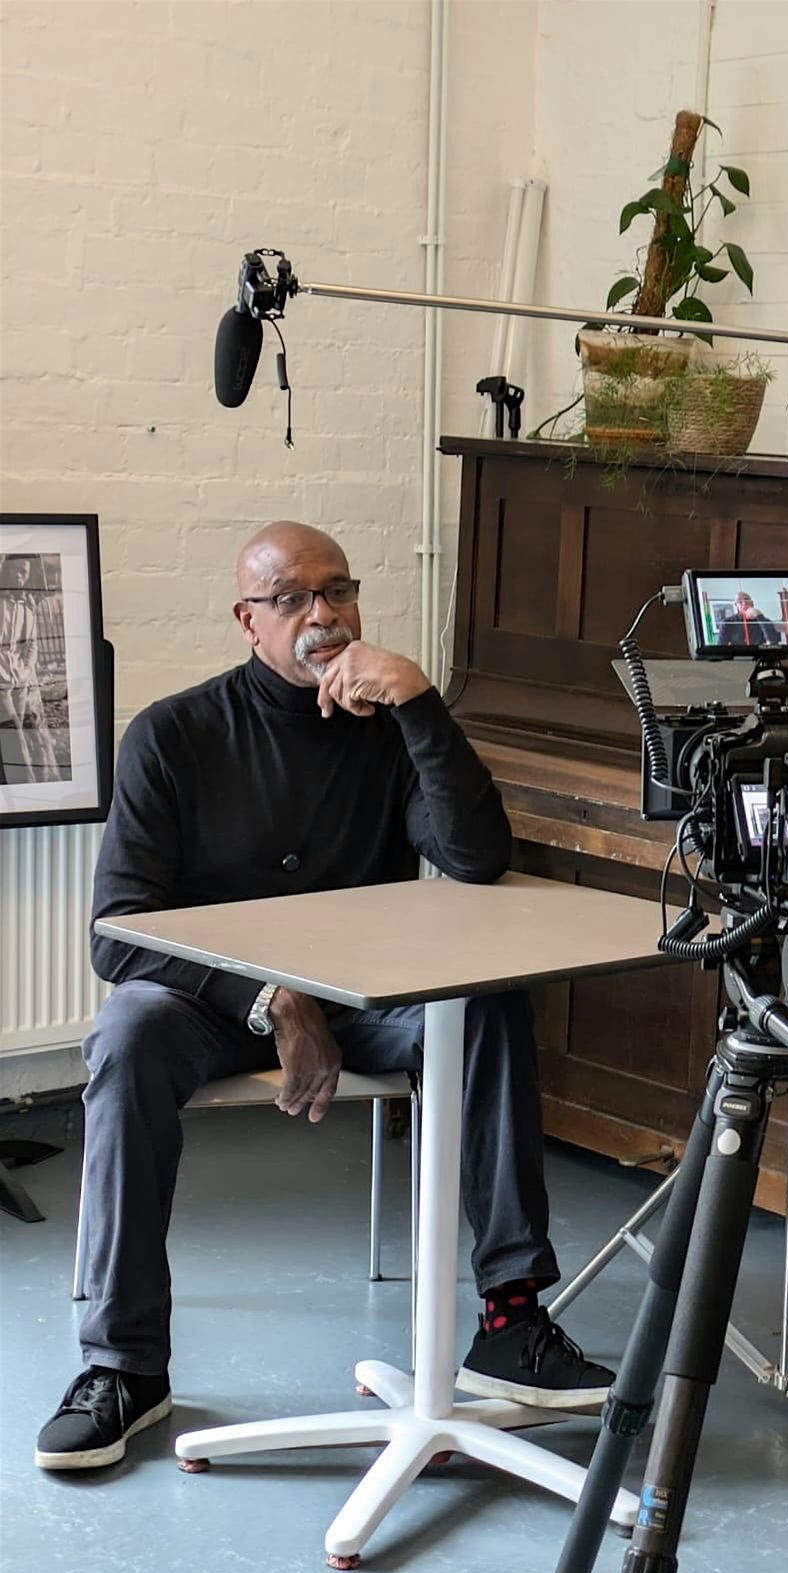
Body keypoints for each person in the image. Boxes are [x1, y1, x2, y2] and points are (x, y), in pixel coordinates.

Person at [36, 520, 614, 1472]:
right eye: (293, 598)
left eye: (338, 590)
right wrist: (271, 997)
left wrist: (420, 701)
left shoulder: (390, 728)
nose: (323, 615)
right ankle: (124, 1367)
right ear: (247, 620)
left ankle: (511, 1324)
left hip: (364, 997)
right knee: (128, 1031)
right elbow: (118, 931)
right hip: (211, 1003)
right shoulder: (174, 734)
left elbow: (476, 857)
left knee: (485, 1004)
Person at [0, 553, 60, 782]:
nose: (18, 575)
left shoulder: (26, 609)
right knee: (14, 737)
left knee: (20, 735)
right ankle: (26, 784)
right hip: (1, 684)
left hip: (21, 682)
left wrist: (25, 672)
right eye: (13, 570)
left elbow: (32, 645)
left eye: (23, 572)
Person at [716, 592, 781, 649]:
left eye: (747, 600)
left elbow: (773, 642)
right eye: (740, 601)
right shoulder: (727, 623)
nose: (744, 603)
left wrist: (759, 616)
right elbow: (721, 648)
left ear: (752, 603)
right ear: (736, 605)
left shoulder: (763, 621)